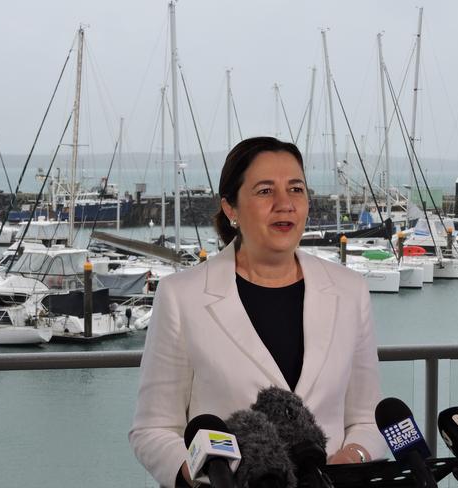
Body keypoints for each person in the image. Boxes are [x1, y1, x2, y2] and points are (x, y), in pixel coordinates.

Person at [129, 136, 385, 487]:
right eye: (265, 191)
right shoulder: (180, 297)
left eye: (296, 189)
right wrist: (207, 475)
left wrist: (350, 459)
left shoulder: (350, 290)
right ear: (231, 208)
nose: (285, 204)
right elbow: (154, 429)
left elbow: (368, 420)